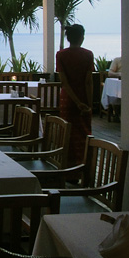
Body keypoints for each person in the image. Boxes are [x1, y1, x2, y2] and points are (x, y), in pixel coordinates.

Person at [56, 24, 94, 171]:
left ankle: (68, 170)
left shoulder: (61, 55)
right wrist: (88, 104)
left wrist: (76, 102)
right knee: (85, 134)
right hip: (83, 97)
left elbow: (64, 83)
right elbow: (88, 82)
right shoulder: (88, 54)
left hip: (68, 100)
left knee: (68, 134)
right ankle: (85, 168)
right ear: (81, 37)